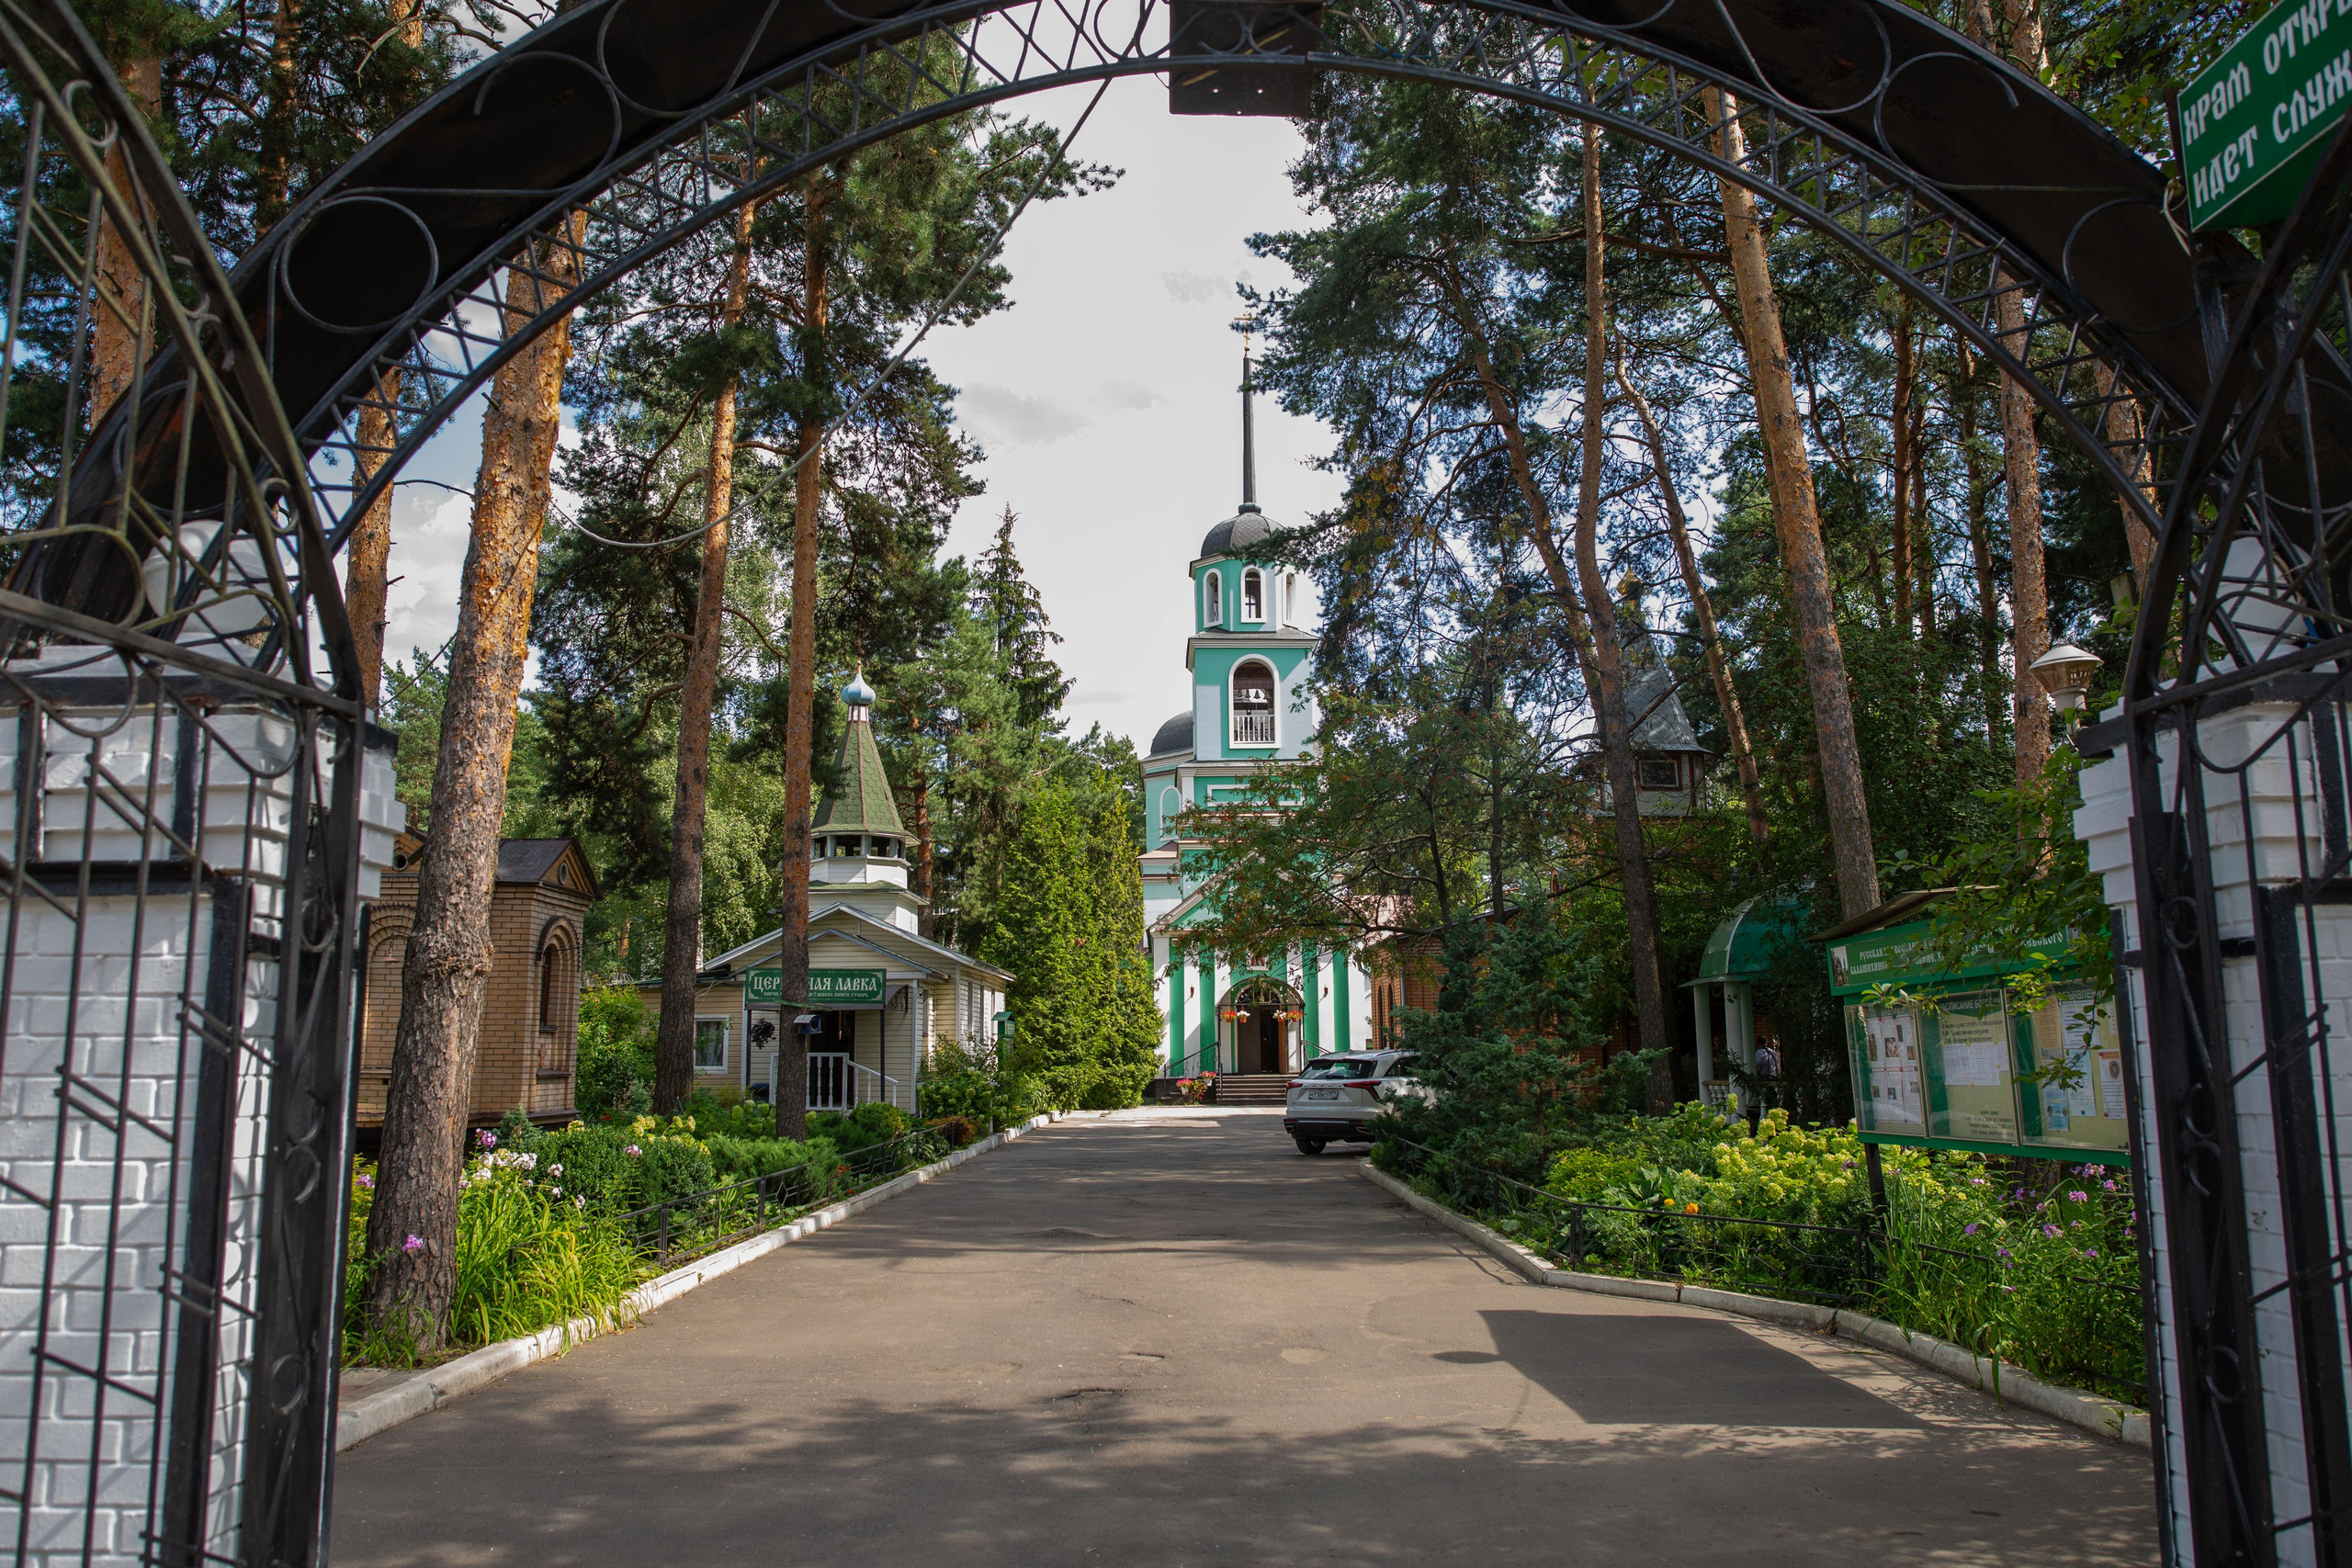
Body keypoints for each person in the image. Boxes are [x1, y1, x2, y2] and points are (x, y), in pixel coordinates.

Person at [1747, 1041, 1781, 1134]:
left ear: (1759, 1043)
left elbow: (1756, 1065)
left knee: (1765, 1097)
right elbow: (1777, 1066)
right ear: (1767, 1042)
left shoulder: (1760, 1052)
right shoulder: (1773, 1052)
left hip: (1764, 1077)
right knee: (1772, 1095)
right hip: (1773, 1077)